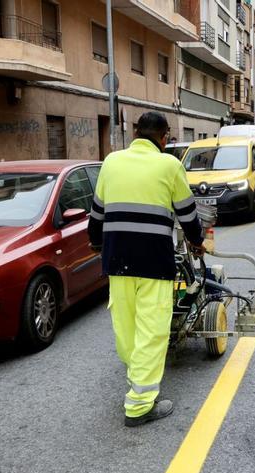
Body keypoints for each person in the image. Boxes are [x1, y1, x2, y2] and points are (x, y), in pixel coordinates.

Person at [88, 112, 205, 428]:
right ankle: (140, 405)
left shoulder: (111, 162)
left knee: (125, 325)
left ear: (135, 132)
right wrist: (197, 242)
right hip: (154, 261)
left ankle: (136, 374)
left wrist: (96, 243)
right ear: (165, 137)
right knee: (152, 330)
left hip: (116, 260)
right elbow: (187, 213)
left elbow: (96, 213)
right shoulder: (169, 165)